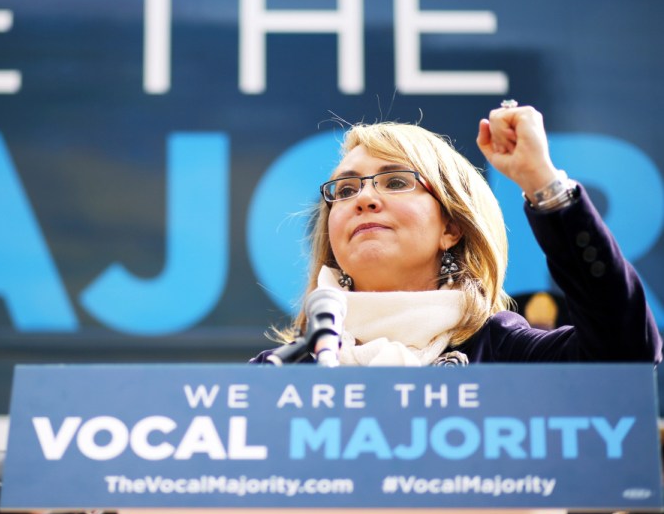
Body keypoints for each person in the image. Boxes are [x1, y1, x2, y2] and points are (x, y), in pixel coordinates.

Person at [251, 101, 662, 366]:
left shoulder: (502, 352)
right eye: (345, 189)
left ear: (451, 227)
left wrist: (543, 182)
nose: (364, 199)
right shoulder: (280, 373)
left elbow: (626, 350)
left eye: (395, 182)